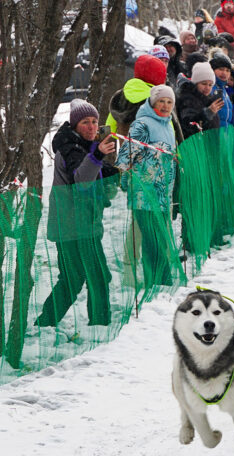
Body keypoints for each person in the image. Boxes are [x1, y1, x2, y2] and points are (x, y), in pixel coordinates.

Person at [36, 100, 116, 328]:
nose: (91, 127)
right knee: (92, 277)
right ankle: (99, 327)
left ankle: (47, 323)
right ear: (74, 125)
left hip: (83, 224)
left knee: (80, 277)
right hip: (72, 226)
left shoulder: (83, 145)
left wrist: (117, 173)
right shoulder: (69, 148)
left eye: (94, 122)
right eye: (85, 123)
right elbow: (81, 180)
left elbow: (99, 172)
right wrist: (98, 156)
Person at [116, 85, 177, 289]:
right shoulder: (142, 124)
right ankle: (161, 283)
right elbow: (125, 156)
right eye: (161, 101)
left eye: (169, 102)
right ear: (152, 103)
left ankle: (158, 282)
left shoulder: (168, 125)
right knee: (153, 242)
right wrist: (127, 180)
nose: (165, 105)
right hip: (144, 194)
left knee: (159, 239)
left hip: (162, 196)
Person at [106, 54, 168, 136]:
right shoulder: (159, 99)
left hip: (127, 147)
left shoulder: (120, 96)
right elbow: (170, 133)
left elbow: (111, 129)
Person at [176, 61, 223, 138]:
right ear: (196, 83)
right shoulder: (188, 100)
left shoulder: (207, 101)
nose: (207, 88)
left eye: (210, 85)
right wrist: (207, 114)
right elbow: (188, 125)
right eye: (204, 84)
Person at [209, 51, 234, 127]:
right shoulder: (210, 87)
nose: (224, 73)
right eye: (221, 69)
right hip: (215, 134)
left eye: (227, 70)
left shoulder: (223, 89)